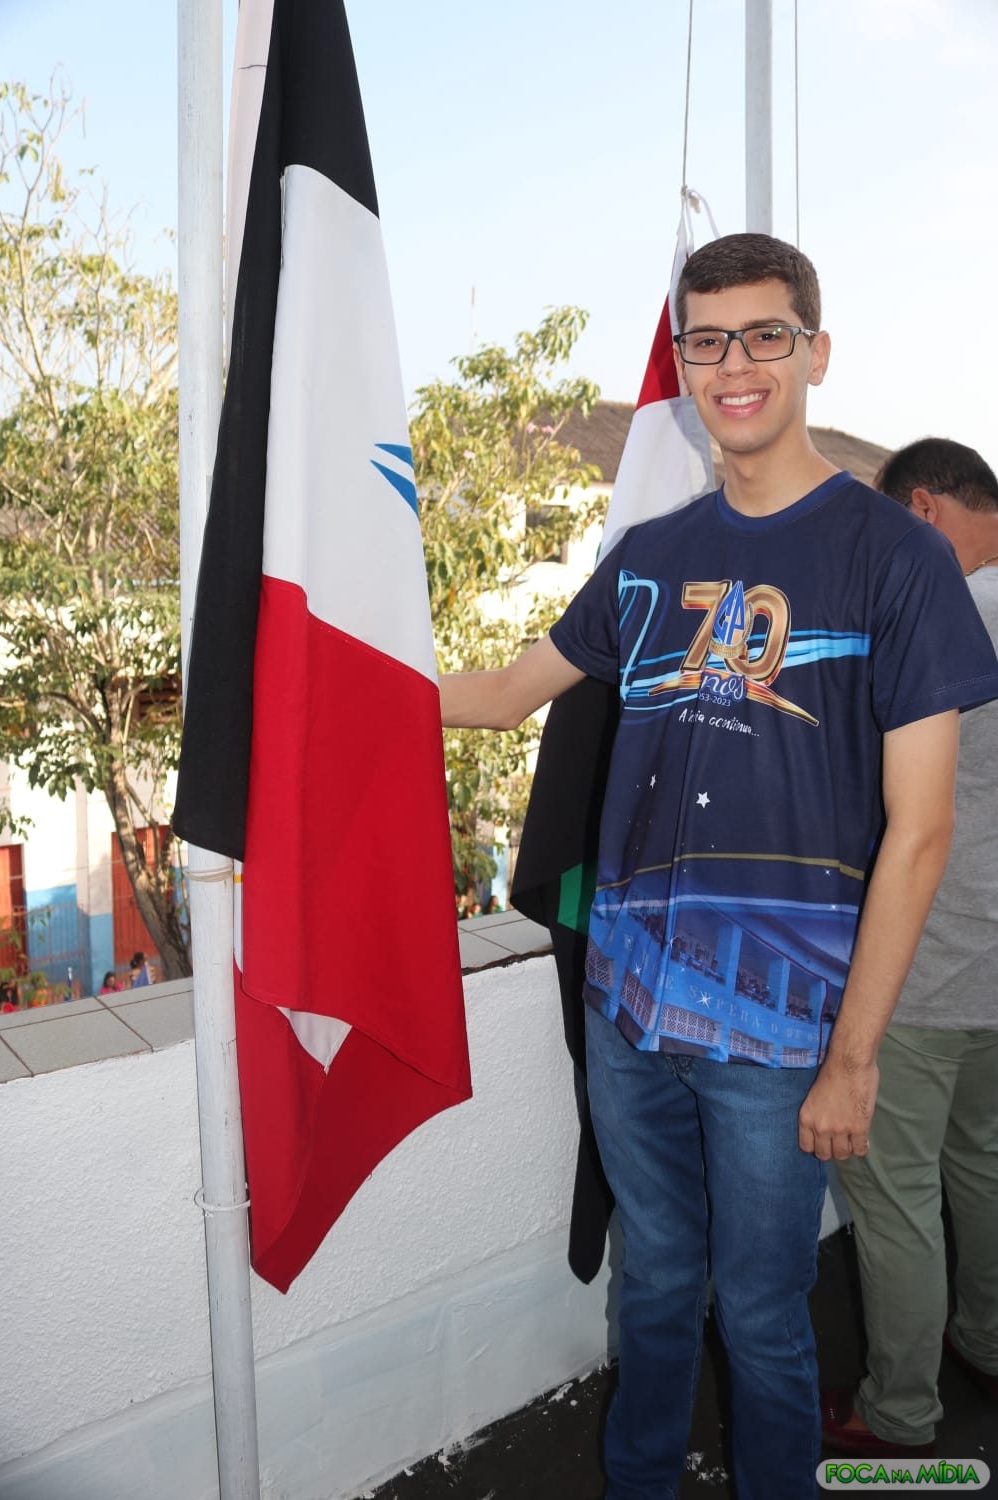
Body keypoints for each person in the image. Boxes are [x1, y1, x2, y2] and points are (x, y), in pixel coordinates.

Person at [439, 232, 998, 1500]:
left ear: (813, 352)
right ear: (684, 362)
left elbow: (920, 832)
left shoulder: (895, 558)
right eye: (706, 340)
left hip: (778, 1029)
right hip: (629, 1008)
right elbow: (507, 692)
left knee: (761, 1311)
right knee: (652, 1288)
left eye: (763, 336)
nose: (733, 364)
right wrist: (336, 694)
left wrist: (853, 1058)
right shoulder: (649, 555)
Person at [822, 438, 998, 1459]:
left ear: (923, 511)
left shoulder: (950, 617)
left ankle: (897, 1416)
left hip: (924, 970)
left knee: (893, 1202)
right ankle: (986, 1342)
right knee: (982, 1165)